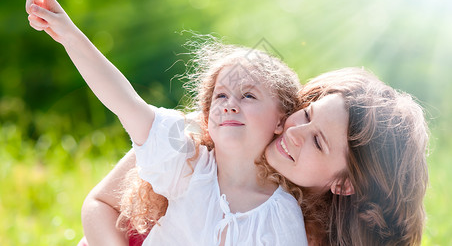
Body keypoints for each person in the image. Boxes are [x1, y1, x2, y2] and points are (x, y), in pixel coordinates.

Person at [26, 0, 308, 246]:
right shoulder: (187, 166)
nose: (230, 105)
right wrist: (69, 34)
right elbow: (125, 101)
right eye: (221, 96)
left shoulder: (282, 214)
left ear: (280, 121)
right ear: (207, 116)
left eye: (248, 96)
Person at [79, 67, 429, 246]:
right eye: (306, 115)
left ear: (344, 183)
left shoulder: (306, 235)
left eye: (318, 142)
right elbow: (99, 204)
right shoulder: (212, 138)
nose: (294, 134)